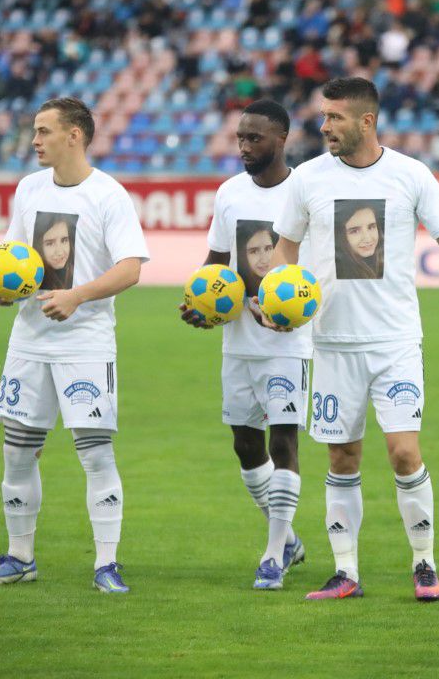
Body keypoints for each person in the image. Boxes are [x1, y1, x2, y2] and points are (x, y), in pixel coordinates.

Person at [262, 77, 439, 602]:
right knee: (342, 459)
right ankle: (345, 572)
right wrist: (279, 301)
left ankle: (424, 564)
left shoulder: (411, 175)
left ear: (366, 121)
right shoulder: (308, 179)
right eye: (322, 116)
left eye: (334, 117)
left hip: (395, 342)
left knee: (404, 453)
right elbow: (284, 250)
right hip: (331, 342)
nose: (323, 125)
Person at [0, 98, 148, 594]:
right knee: (17, 453)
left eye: (44, 131)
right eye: (34, 130)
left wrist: (77, 295)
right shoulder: (28, 188)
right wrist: (0, 290)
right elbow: (15, 260)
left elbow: (131, 267)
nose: (35, 140)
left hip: (85, 343)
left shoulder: (109, 195)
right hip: (28, 341)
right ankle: (19, 556)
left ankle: (106, 564)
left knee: (94, 453)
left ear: (75, 135)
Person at [178, 100, 312, 590]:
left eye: (254, 139)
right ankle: (291, 538)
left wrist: (295, 309)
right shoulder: (229, 192)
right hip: (238, 340)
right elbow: (215, 262)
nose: (244, 147)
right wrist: (201, 302)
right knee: (244, 443)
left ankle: (273, 555)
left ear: (281, 139)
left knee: (284, 440)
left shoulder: (304, 192)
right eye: (240, 138)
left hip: (288, 341)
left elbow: (315, 271)